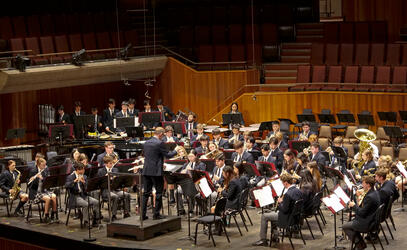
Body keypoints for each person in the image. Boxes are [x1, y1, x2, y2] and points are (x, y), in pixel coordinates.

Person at [252, 173, 303, 246]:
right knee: (272, 213)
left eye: (282, 183)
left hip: (287, 218)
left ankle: (263, 239)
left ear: (285, 183)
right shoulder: (298, 191)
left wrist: (280, 203)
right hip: (295, 218)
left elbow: (284, 209)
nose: (282, 185)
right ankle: (275, 236)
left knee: (264, 216)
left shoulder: (288, 194)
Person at [142, 127, 177, 220]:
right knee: (158, 193)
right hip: (156, 172)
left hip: (146, 170)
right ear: (161, 134)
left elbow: (151, 156)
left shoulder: (146, 142)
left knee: (145, 193)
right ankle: (156, 214)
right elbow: (168, 155)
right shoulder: (160, 143)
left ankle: (142, 215)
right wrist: (176, 150)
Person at [343, 176, 380, 250]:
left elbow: (362, 213)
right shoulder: (374, 192)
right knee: (350, 222)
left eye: (363, 183)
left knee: (345, 226)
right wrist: (355, 213)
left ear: (368, 184)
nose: (362, 185)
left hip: (367, 223)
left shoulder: (370, 197)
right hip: (372, 219)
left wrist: (354, 206)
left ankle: (360, 244)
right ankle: (360, 243)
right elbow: (367, 210)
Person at [65, 162, 100, 227]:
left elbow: (88, 188)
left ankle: (95, 220)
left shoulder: (84, 176)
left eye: (84, 169)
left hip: (84, 195)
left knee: (96, 202)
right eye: (82, 169)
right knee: (85, 204)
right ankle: (86, 221)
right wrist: (74, 181)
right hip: (75, 197)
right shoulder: (71, 177)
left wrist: (84, 183)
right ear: (77, 170)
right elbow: (66, 186)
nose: (83, 171)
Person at [97, 155, 131, 221]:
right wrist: (105, 177)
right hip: (106, 191)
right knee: (115, 197)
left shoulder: (115, 169)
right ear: (105, 164)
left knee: (127, 195)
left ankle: (126, 212)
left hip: (115, 189)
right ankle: (113, 215)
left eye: (112, 163)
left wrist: (116, 179)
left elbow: (119, 181)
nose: (112, 164)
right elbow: (100, 184)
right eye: (110, 163)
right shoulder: (101, 171)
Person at [28, 157, 57, 223]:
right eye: (43, 165)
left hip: (43, 191)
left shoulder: (44, 170)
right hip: (35, 193)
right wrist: (34, 179)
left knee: (54, 196)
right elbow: (29, 185)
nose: (45, 166)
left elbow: (47, 182)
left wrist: (42, 178)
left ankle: (53, 215)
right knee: (47, 199)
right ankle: (46, 216)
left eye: (45, 165)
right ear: (39, 165)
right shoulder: (33, 171)